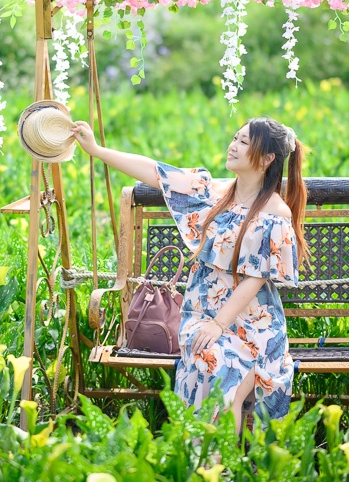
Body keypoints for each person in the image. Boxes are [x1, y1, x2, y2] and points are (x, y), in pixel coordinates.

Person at [70, 116, 308, 433]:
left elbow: (256, 278)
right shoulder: (212, 192)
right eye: (235, 138)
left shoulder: (274, 211)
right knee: (208, 361)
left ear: (267, 159)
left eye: (244, 143)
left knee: (221, 373)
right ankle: (208, 463)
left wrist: (219, 324)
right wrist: (97, 150)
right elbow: (157, 173)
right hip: (201, 313)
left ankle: (215, 466)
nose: (233, 146)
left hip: (253, 324)